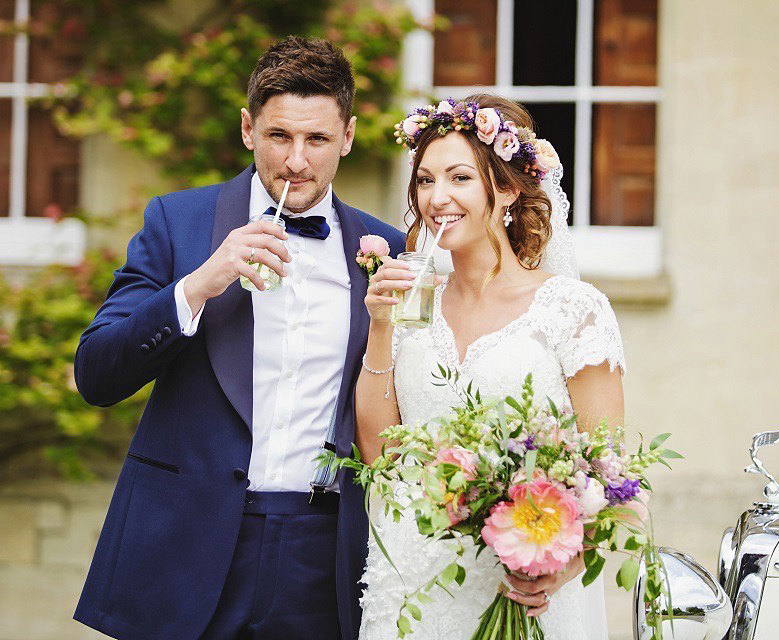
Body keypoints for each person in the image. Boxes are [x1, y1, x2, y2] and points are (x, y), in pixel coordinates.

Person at [73, 36, 404, 640]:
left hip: (323, 552)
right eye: (280, 136)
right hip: (186, 549)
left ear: (349, 137)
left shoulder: (387, 249)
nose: (297, 161)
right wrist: (200, 284)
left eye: (318, 139)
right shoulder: (180, 222)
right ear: (248, 129)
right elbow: (96, 373)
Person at [354, 94, 625, 639]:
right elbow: (379, 456)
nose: (437, 198)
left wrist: (559, 566)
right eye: (425, 181)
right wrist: (380, 328)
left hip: (524, 592)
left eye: (458, 178)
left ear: (504, 189)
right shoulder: (412, 300)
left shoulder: (573, 309)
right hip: (413, 584)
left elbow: (610, 475)